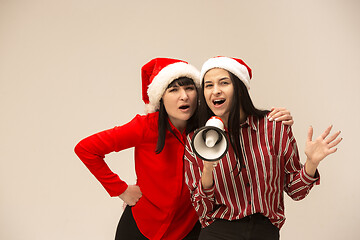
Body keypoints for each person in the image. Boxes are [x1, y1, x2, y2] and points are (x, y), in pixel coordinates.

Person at [74, 57, 294, 240]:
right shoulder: (145, 127)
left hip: (188, 229)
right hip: (142, 226)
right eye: (173, 90)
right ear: (161, 97)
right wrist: (121, 189)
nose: (184, 96)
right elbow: (86, 149)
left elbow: (242, 121)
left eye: (190, 88)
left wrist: (272, 117)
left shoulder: (210, 126)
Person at [183, 56, 342, 240]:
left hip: (264, 232)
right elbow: (202, 209)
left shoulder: (274, 127)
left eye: (224, 83)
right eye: (209, 85)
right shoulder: (196, 141)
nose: (215, 91)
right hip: (218, 232)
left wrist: (311, 163)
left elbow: (296, 192)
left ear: (240, 88)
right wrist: (208, 169)